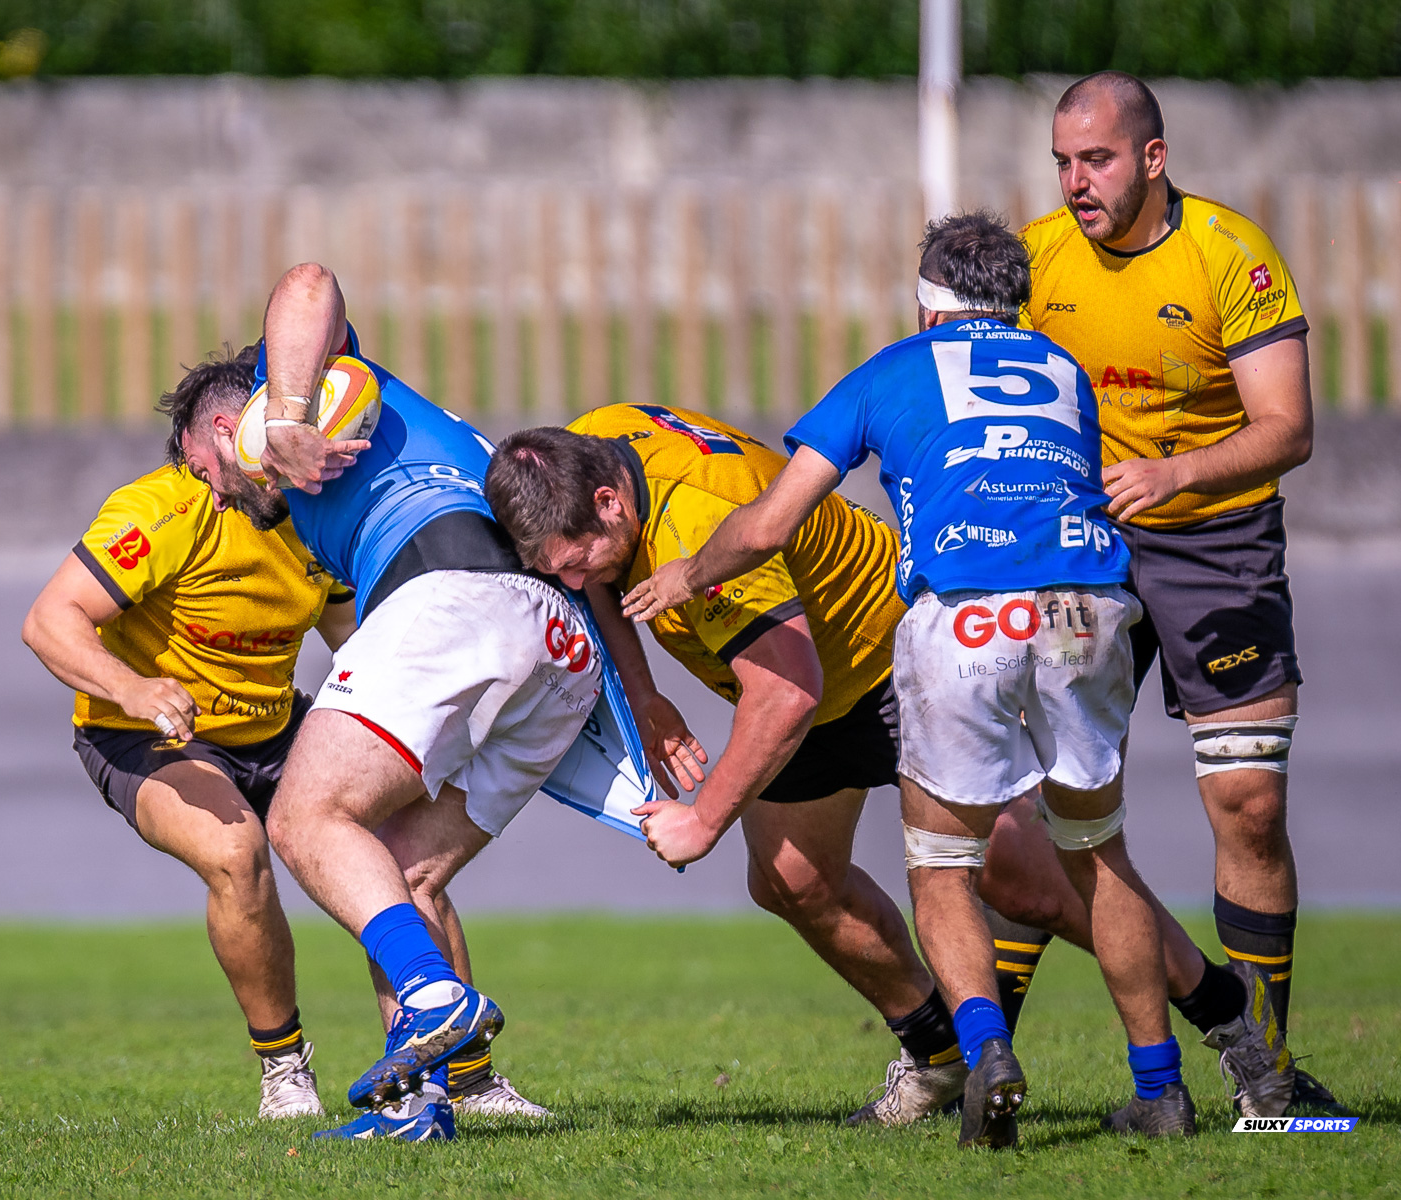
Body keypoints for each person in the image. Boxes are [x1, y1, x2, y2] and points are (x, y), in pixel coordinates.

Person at [624, 213, 1200, 1144]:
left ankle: (982, 1054)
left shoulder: (895, 367)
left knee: (941, 868)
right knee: (1098, 854)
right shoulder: (1064, 372)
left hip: (967, 615)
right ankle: (1160, 1088)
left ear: (930, 307)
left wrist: (690, 573)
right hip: (1089, 609)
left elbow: (767, 526)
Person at [178, 263, 602, 1142]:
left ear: (231, 425)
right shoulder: (325, 507)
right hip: (559, 644)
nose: (212, 491)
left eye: (202, 467)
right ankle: (424, 1105)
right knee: (397, 874)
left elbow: (307, 281)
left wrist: (285, 419)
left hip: (457, 594)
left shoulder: (297, 397)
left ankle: (434, 994)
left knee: (302, 819)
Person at [485, 405, 975, 1127]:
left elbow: (784, 690)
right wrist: (643, 692)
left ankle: (1195, 1021)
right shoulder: (588, 451)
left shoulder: (699, 525)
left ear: (609, 505)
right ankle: (941, 1059)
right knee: (792, 880)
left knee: (1030, 880)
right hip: (823, 687)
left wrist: (704, 819)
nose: (574, 580)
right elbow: (600, 578)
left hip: (905, 659)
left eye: (573, 560)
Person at [1004, 69, 1339, 1117]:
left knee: (1248, 801)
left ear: (1152, 157)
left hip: (1215, 546)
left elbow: (1289, 428)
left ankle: (1270, 1076)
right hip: (1082, 553)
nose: (1074, 182)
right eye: (1062, 161)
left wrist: (1175, 474)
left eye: (1094, 159)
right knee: (1041, 804)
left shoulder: (1228, 254)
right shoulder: (1036, 258)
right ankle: (976, 1070)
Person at [20, 346, 350, 1122]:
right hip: (150, 739)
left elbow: (355, 634)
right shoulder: (160, 509)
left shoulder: (310, 512)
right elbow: (47, 622)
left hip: (274, 725)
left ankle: (456, 1072)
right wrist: (134, 690)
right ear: (222, 437)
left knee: (396, 841)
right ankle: (285, 1071)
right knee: (236, 852)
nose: (214, 478)